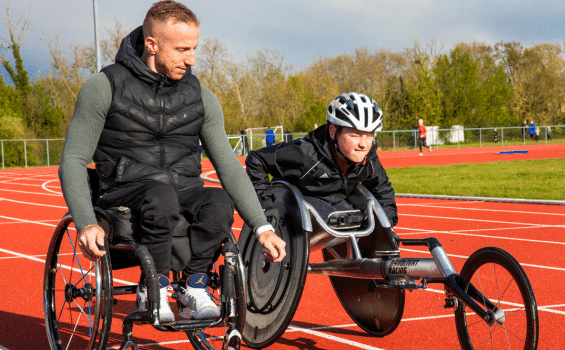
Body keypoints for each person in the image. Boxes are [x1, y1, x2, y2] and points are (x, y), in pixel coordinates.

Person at [58, 0, 285, 324]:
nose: (191, 59)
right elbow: (74, 159)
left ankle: (193, 285)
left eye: (193, 48)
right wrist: (84, 222)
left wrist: (262, 228)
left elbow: (229, 166)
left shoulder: (201, 97)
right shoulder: (104, 86)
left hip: (183, 190)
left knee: (219, 201)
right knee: (160, 196)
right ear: (152, 45)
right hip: (126, 191)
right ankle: (155, 287)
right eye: (181, 49)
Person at [245, 92, 398, 230]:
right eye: (355, 135)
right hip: (294, 200)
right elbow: (257, 159)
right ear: (333, 132)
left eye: (369, 135)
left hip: (335, 199)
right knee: (338, 218)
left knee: (360, 221)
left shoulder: (368, 158)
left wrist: (387, 227)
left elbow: (382, 189)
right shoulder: (305, 153)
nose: (363, 144)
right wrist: (265, 207)